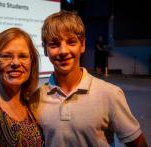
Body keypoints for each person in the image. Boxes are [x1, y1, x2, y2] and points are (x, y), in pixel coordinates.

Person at [29, 11, 148, 147]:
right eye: (54, 45)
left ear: (83, 45)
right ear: (45, 50)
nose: (63, 51)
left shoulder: (110, 94)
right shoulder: (35, 99)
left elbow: (138, 143)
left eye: (71, 42)